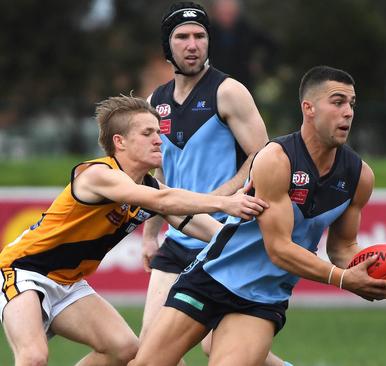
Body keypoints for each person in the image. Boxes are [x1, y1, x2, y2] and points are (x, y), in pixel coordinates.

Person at [129, 66, 386, 366]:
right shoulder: (275, 159)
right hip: (211, 278)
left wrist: (371, 270)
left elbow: (342, 246)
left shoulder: (359, 177)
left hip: (261, 299)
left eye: (352, 104)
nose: (348, 112)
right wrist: (343, 279)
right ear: (308, 108)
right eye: (337, 102)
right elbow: (279, 248)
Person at [0, 95, 268, 366]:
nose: (159, 140)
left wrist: (251, 247)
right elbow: (164, 200)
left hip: (68, 282)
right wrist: (227, 202)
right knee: (33, 357)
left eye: (159, 132)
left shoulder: (147, 188)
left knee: (125, 349)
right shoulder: (98, 174)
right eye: (148, 133)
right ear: (120, 142)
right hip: (23, 270)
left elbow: (193, 221)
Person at [140, 2, 285, 364]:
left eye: (200, 36)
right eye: (182, 37)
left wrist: (216, 197)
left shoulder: (228, 91)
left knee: (218, 348)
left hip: (220, 237)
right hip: (176, 238)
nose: (192, 44)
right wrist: (149, 233)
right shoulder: (154, 102)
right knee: (150, 347)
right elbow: (159, 176)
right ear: (167, 46)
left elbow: (263, 157)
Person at [208, 0, 277, 89]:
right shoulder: (207, 31)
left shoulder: (247, 30)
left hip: (242, 81)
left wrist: (261, 65)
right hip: (214, 80)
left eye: (229, 13)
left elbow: (271, 45)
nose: (226, 17)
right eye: (222, 13)